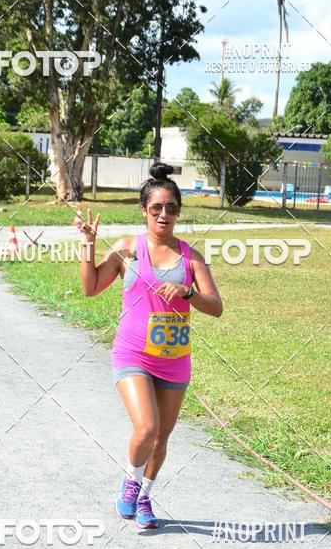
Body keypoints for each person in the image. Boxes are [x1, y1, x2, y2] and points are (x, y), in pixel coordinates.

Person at [76, 163, 223, 530]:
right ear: (144, 211)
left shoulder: (191, 258)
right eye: (156, 207)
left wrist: (188, 292)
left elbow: (216, 307)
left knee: (162, 438)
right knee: (147, 427)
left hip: (174, 360)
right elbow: (91, 287)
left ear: (178, 213)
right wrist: (88, 244)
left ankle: (145, 496)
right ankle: (129, 484)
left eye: (171, 208)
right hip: (133, 353)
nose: (164, 214)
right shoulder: (128, 250)